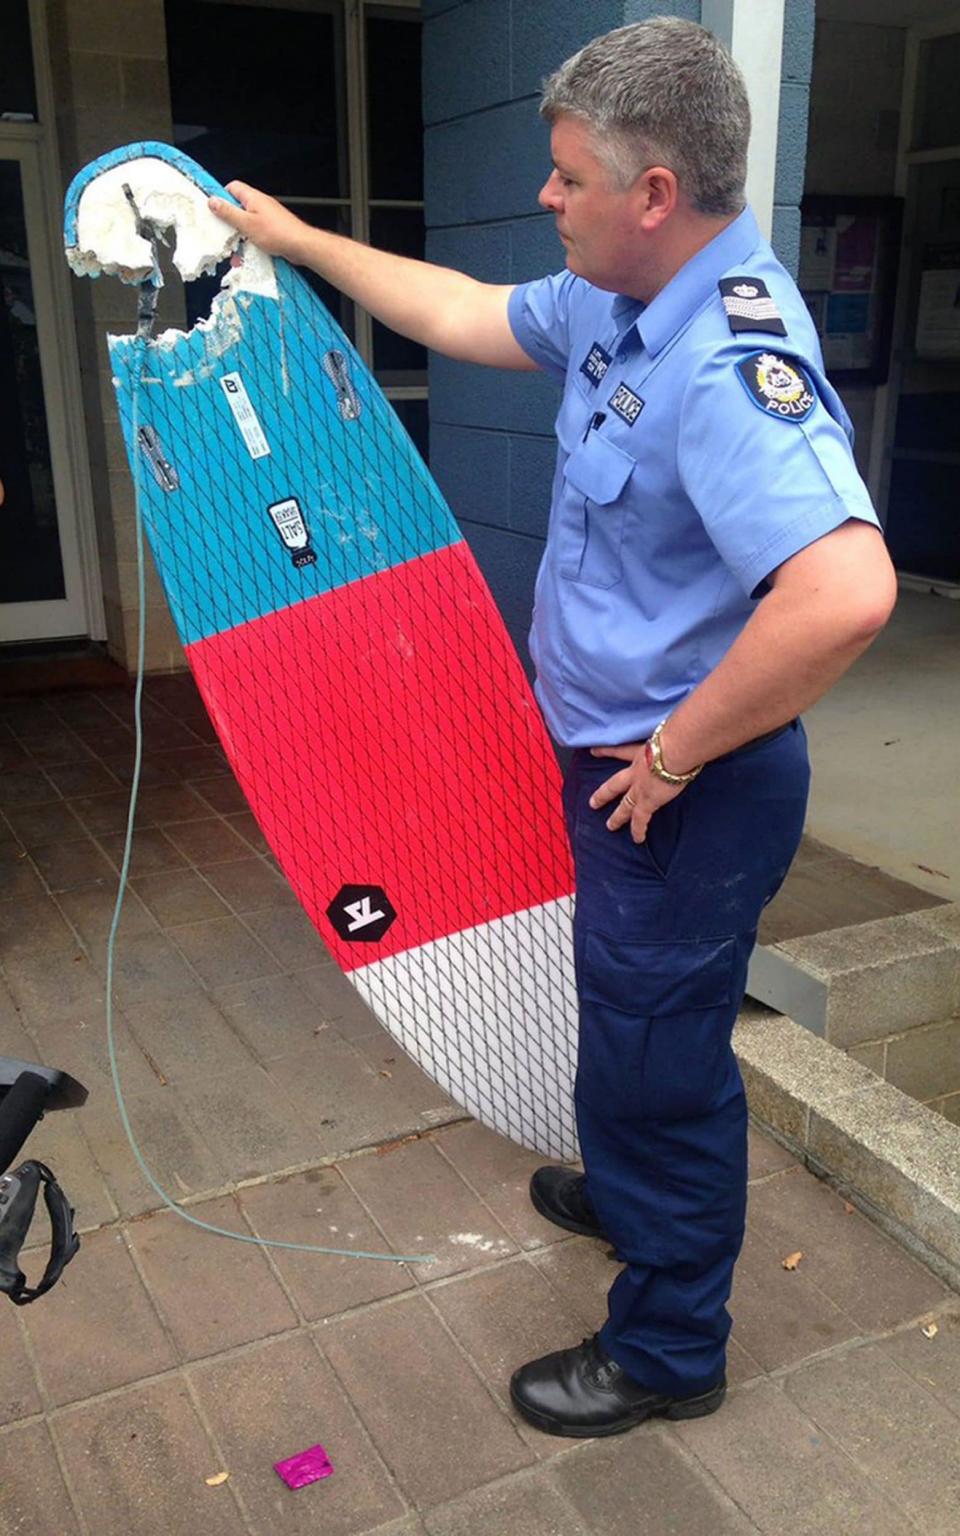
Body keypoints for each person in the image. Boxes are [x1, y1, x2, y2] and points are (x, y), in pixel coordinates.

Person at [210, 16, 897, 1438]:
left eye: (567, 175)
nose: (544, 196)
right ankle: (627, 1176)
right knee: (625, 1023)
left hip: (685, 790)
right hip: (617, 766)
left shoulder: (725, 358)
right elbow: (461, 310)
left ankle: (667, 1348)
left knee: (664, 1060)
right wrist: (296, 241)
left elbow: (842, 594)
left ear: (655, 193)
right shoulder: (615, 295)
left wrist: (674, 751)